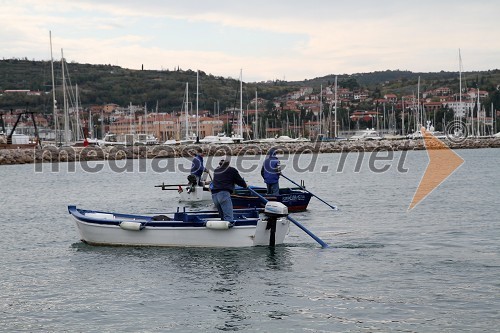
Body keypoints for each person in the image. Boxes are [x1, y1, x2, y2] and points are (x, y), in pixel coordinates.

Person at [211, 156, 247, 222]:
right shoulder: (232, 170)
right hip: (223, 194)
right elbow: (240, 181)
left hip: (214, 195)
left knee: (222, 217)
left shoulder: (216, 170)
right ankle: (229, 227)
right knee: (228, 218)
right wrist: (245, 185)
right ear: (228, 163)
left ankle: (222, 229)